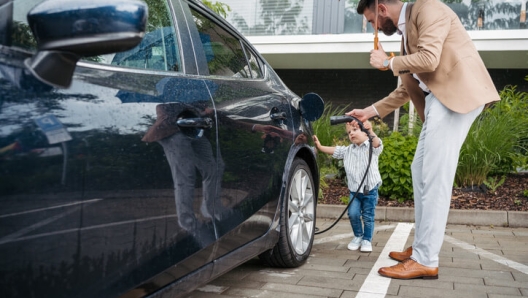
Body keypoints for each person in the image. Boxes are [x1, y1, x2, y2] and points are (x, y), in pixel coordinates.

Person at [350, 0, 500, 279]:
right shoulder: (407, 33)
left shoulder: (427, 8)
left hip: (454, 96)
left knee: (434, 175)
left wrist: (388, 61)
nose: (374, 28)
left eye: (372, 21)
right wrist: (370, 111)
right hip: (439, 102)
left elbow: (430, 59)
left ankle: (426, 258)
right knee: (420, 171)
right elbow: (407, 88)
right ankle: (422, 247)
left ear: (382, 8)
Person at [313, 120, 383, 252]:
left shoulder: (371, 147)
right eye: (349, 132)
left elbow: (377, 144)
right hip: (355, 191)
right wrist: (320, 146)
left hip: (370, 190)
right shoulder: (347, 150)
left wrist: (371, 130)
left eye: (355, 130)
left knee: (368, 216)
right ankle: (358, 236)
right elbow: (334, 150)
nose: (351, 134)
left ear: (365, 133)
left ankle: (367, 240)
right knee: (353, 214)